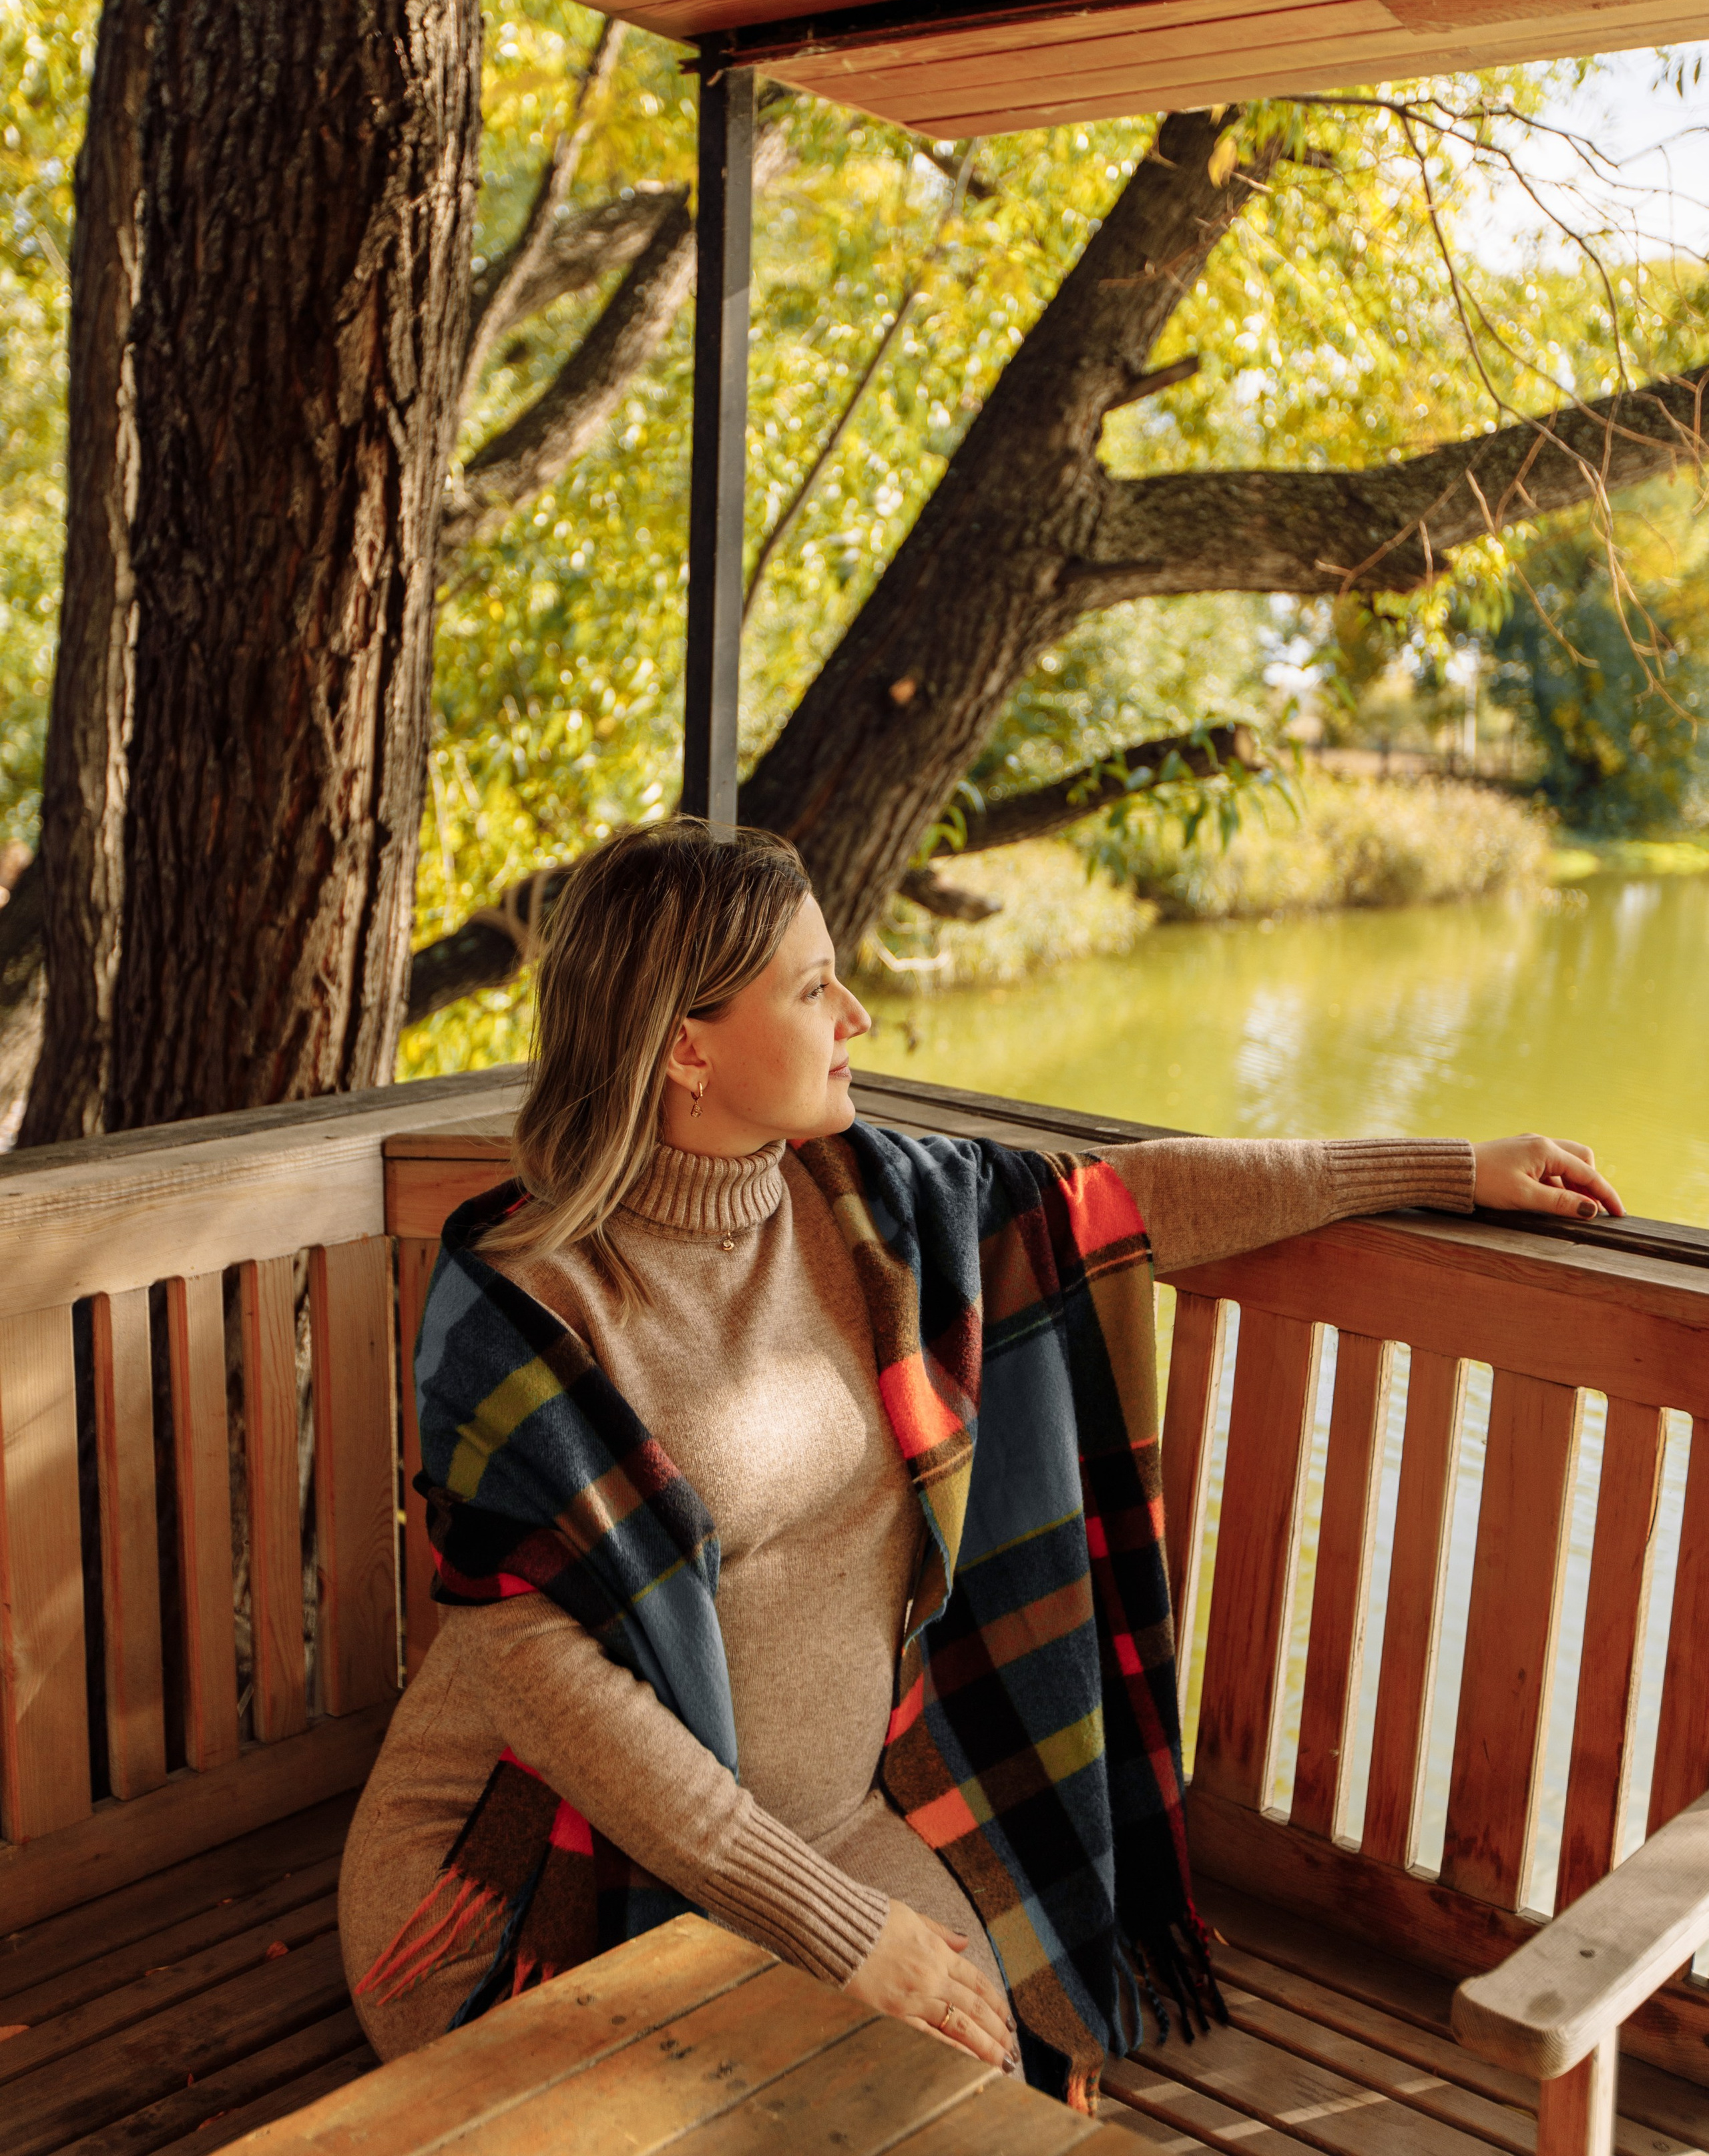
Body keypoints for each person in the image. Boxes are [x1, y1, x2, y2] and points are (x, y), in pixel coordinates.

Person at [339, 818, 1620, 2098]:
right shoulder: (521, 1310)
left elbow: (1128, 1201)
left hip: (837, 1821)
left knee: (980, 2092)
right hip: (531, 1870)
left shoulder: (871, 1209)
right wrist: (841, 1932)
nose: (858, 1015)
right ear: (685, 1046)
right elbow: (564, 1706)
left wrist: (1448, 1168)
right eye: (809, 986)